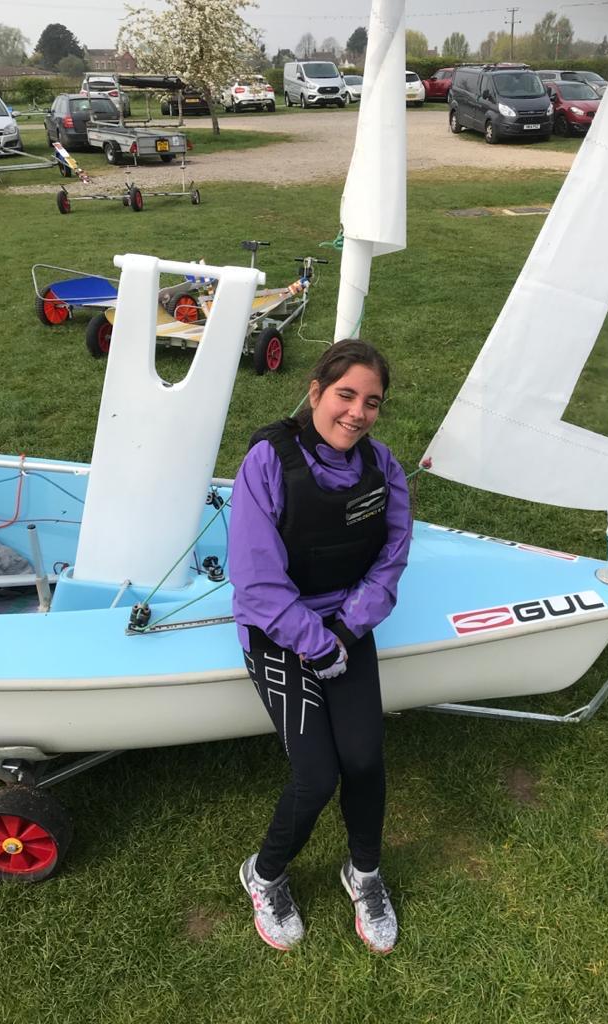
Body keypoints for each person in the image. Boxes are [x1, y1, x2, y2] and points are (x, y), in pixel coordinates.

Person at [228, 339, 412, 953]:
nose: (358, 413)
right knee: (317, 775)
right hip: (279, 632)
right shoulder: (267, 462)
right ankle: (266, 873)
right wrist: (313, 640)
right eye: (346, 395)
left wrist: (343, 632)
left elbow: (390, 559)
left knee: (364, 758)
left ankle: (363, 873)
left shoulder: (381, 467)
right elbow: (256, 583)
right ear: (315, 392)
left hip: (345, 630)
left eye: (372, 402)